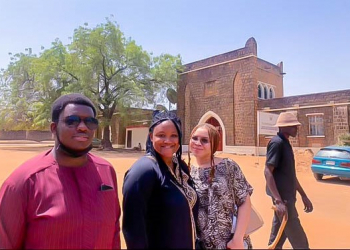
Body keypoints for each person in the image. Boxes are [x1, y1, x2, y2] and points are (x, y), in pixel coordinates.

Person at [0, 93, 121, 249]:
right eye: (72, 121)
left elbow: (114, 233)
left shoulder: (106, 171)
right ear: (53, 128)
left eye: (90, 122)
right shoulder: (23, 182)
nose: (83, 127)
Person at [122, 110, 198, 249]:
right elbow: (133, 229)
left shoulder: (179, 166)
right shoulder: (144, 171)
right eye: (161, 135)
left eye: (174, 136)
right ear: (151, 137)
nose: (168, 141)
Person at [188, 123, 253, 249]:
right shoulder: (187, 171)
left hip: (231, 243)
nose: (197, 143)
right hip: (201, 244)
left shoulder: (228, 166)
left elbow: (244, 201)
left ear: (214, 145)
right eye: (194, 138)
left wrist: (238, 238)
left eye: (204, 140)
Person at [264, 112, 313, 249]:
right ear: (284, 127)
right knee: (300, 241)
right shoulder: (277, 143)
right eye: (293, 126)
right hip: (283, 199)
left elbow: (290, 175)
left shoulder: (285, 144)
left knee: (277, 237)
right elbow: (267, 171)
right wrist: (278, 201)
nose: (296, 129)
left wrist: (303, 195)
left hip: (287, 198)